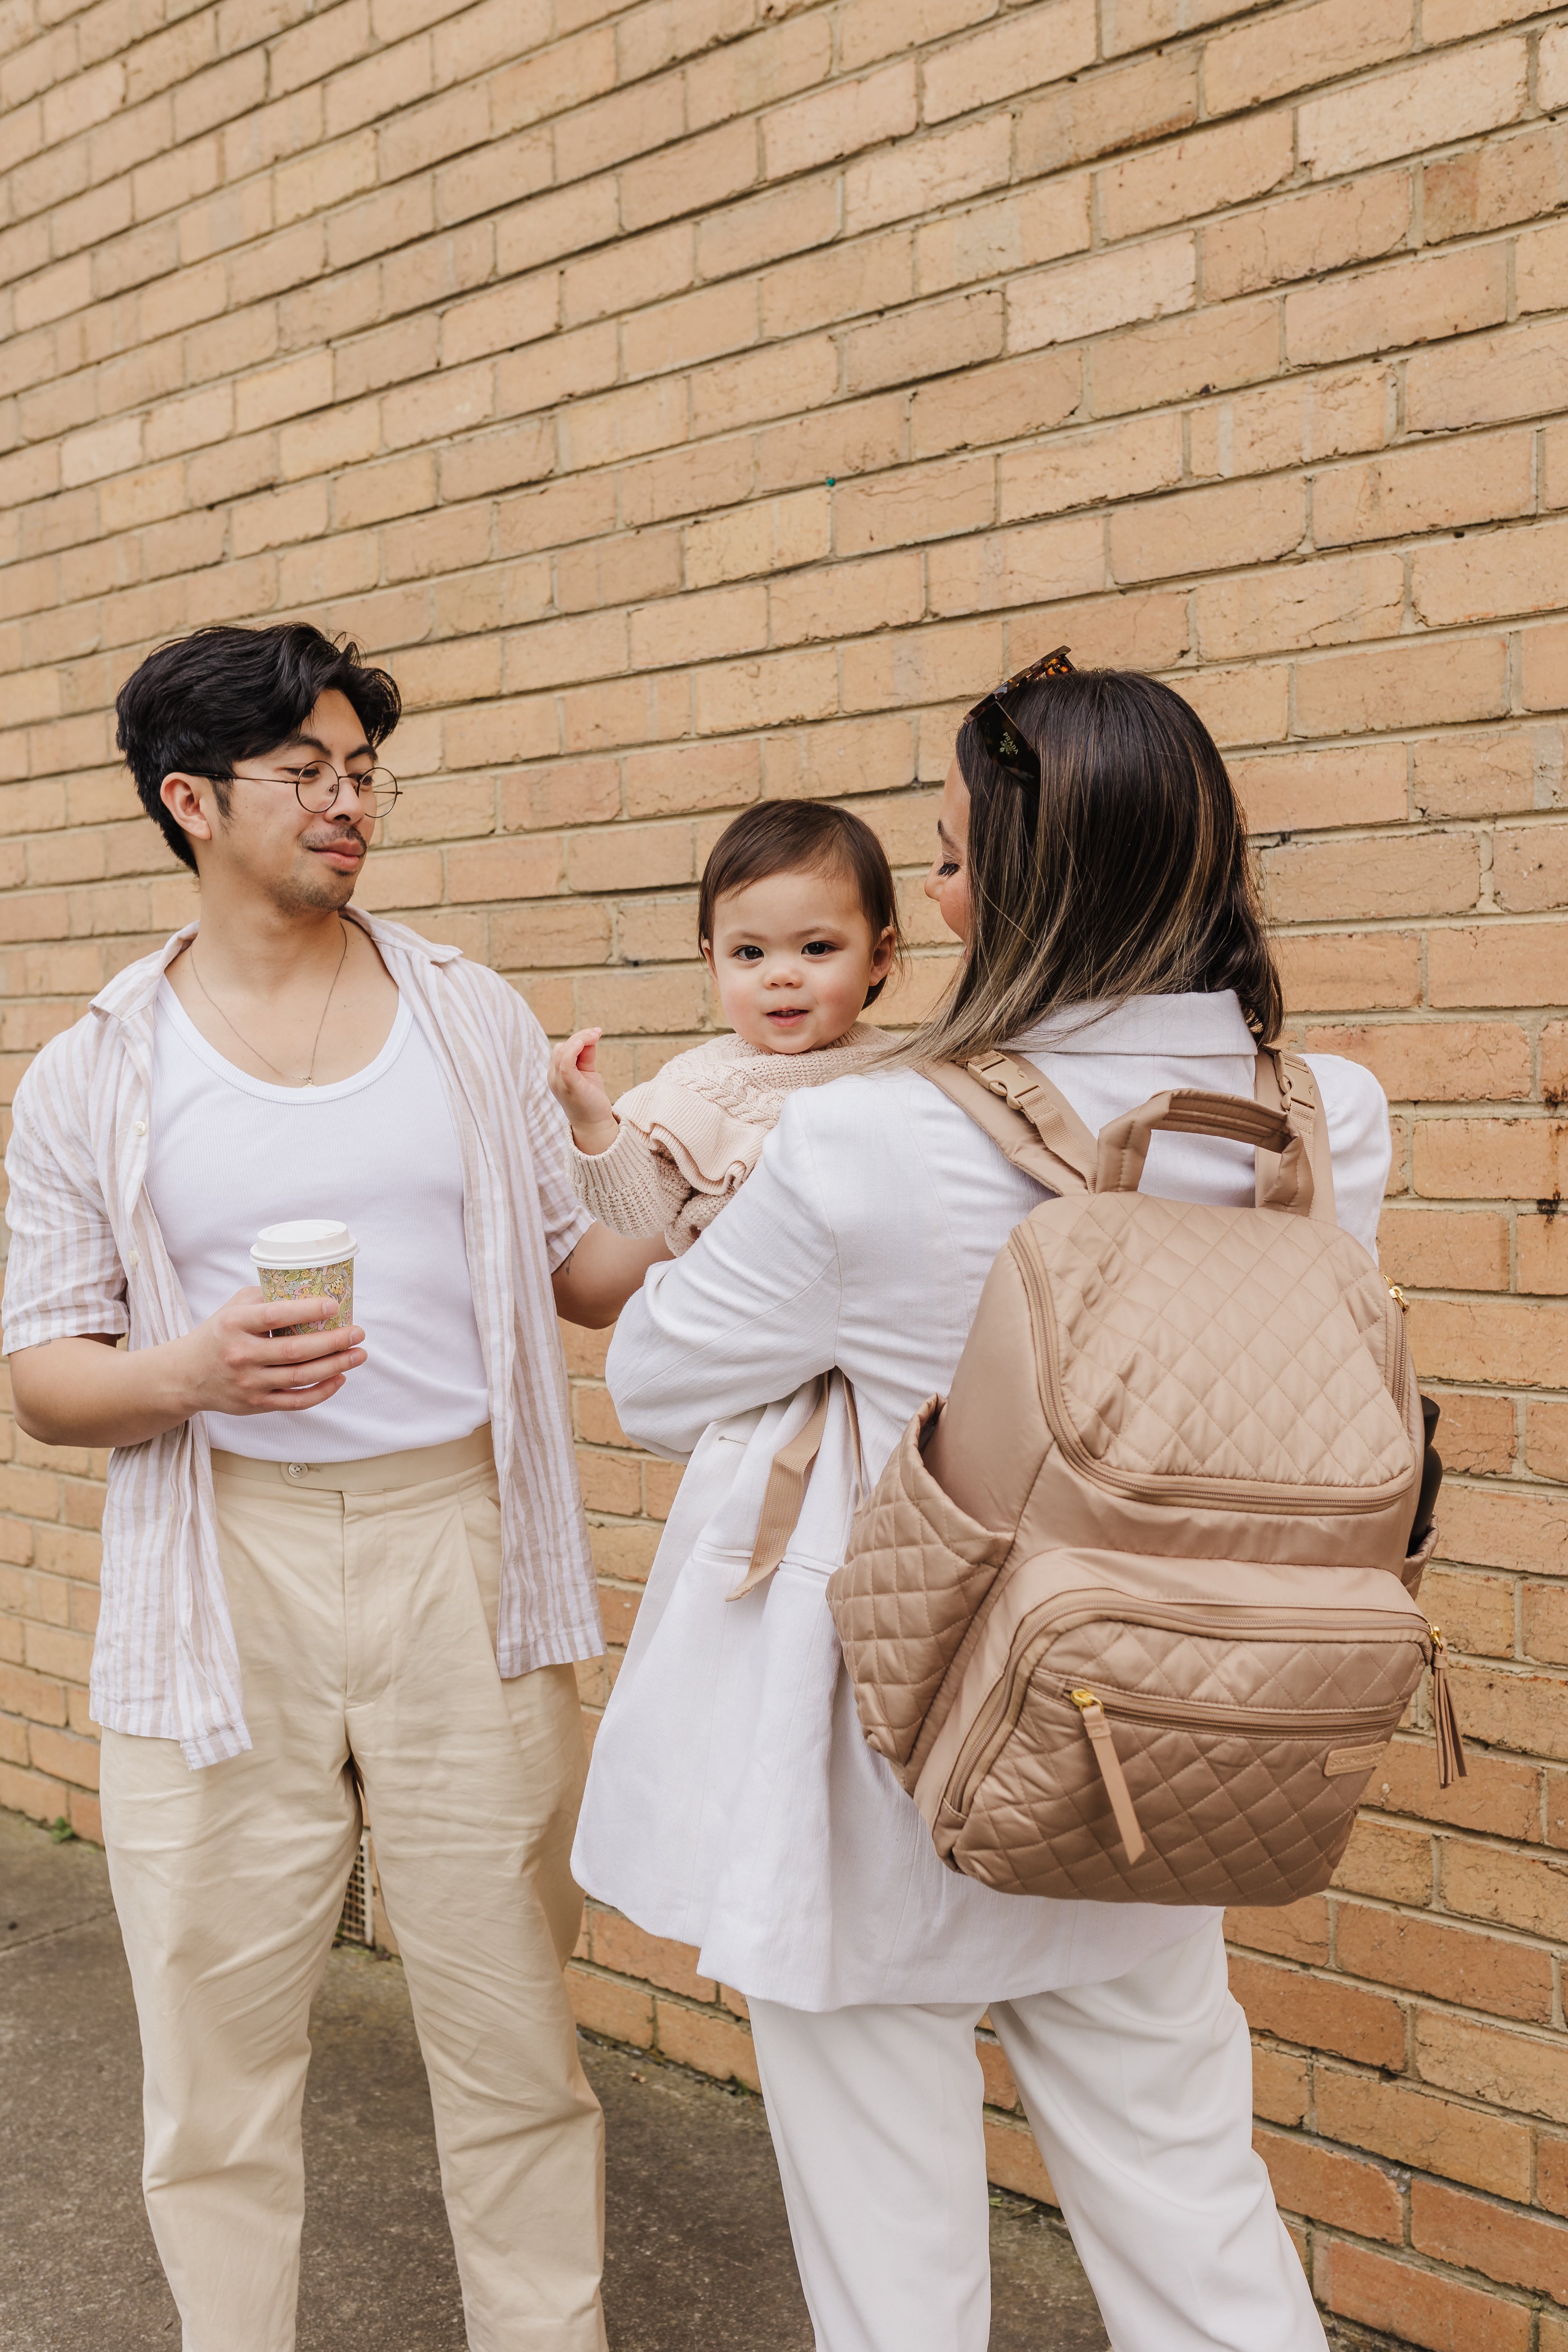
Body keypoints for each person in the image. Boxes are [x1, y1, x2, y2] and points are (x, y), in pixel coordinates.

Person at [584, 660, 1388, 2352]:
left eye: (951, 856)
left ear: (1027, 877)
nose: (935, 892)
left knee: (900, 2277)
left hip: (886, 1737)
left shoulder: (871, 1137)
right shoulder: (1323, 1122)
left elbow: (651, 1376)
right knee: (1195, 2209)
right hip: (1157, 1730)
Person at [1, 622, 659, 2352]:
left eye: (365, 768)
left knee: (514, 2031)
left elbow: (590, 1283)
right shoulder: (96, 1068)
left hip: (461, 1540)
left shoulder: (466, 1012)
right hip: (223, 1562)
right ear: (191, 798)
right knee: (212, 2056)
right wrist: (190, 1373)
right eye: (312, 770)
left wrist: (604, 1141)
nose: (352, 800)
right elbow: (47, 1373)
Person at [548, 799, 898, 1254]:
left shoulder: (906, 1071)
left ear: (878, 956)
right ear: (714, 962)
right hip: (738, 1311)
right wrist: (592, 1122)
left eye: (816, 947)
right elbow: (637, 1213)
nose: (781, 976)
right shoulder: (701, 1086)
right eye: (751, 953)